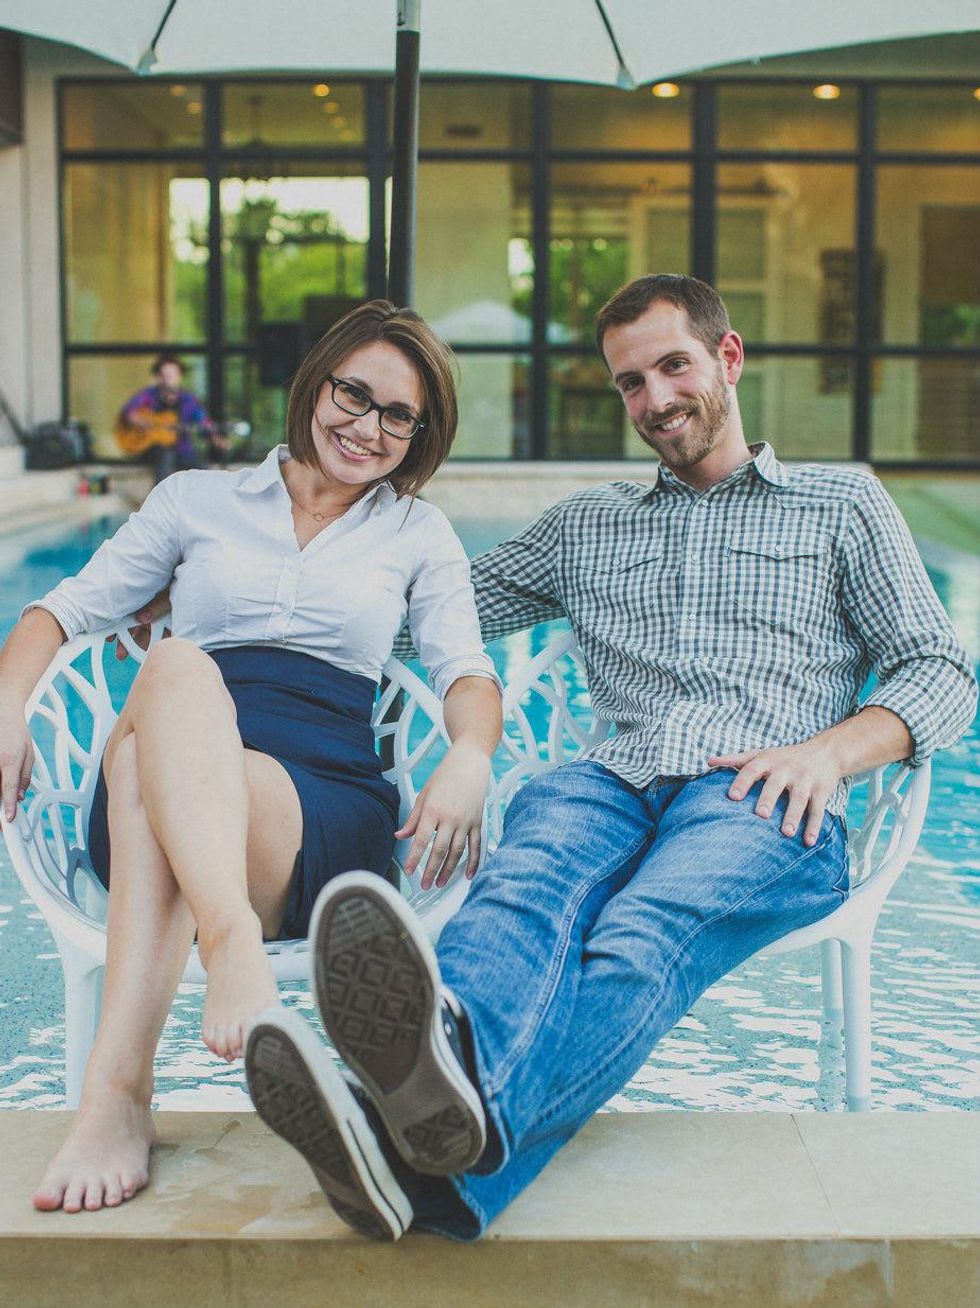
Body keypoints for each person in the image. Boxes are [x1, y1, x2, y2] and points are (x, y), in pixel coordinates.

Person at [241, 274, 977, 1242]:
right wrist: (245, 569)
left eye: (671, 366)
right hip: (607, 783)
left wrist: (831, 755)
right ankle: (439, 1089)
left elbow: (941, 668)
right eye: (629, 383)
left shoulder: (839, 505)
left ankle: (409, 1144)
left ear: (727, 357)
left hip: (762, 792)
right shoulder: (587, 526)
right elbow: (420, 610)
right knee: (519, 892)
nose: (654, 398)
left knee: (638, 937)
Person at [0, 300, 503, 1214]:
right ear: (316, 384)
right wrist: (3, 700)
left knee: (144, 765)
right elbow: (59, 610)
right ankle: (228, 938)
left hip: (310, 802)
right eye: (356, 395)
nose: (370, 427)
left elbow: (465, 670)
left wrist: (470, 754)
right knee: (181, 671)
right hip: (179, 740)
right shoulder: (196, 499)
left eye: (400, 415)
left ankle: (115, 1097)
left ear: (420, 433)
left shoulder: (415, 534)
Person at [115, 354, 224, 482]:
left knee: (202, 468)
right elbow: (128, 413)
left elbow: (203, 422)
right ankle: (159, 498)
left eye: (172, 375)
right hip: (149, 449)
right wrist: (146, 423)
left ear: (179, 377)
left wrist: (215, 438)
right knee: (165, 455)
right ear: (157, 377)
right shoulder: (147, 396)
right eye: (164, 375)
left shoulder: (189, 400)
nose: (168, 379)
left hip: (182, 450)